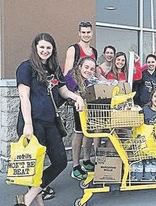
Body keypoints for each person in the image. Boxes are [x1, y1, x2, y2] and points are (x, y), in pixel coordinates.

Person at [15, 33, 84, 206]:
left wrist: (77, 98)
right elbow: (24, 97)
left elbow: (63, 90)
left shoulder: (54, 69)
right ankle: (37, 202)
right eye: (42, 47)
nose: (45, 51)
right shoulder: (26, 67)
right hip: (32, 122)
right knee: (36, 165)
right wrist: (28, 125)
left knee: (60, 160)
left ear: (52, 50)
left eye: (48, 47)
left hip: (50, 121)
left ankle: (28, 197)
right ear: (36, 48)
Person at [63, 21, 98, 181]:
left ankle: (86, 160)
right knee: (79, 132)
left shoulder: (93, 51)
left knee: (89, 131)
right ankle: (75, 166)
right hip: (77, 98)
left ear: (92, 33)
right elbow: (68, 75)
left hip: (90, 97)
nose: (86, 35)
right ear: (79, 33)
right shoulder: (73, 49)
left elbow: (94, 73)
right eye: (83, 32)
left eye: (88, 32)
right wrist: (77, 95)